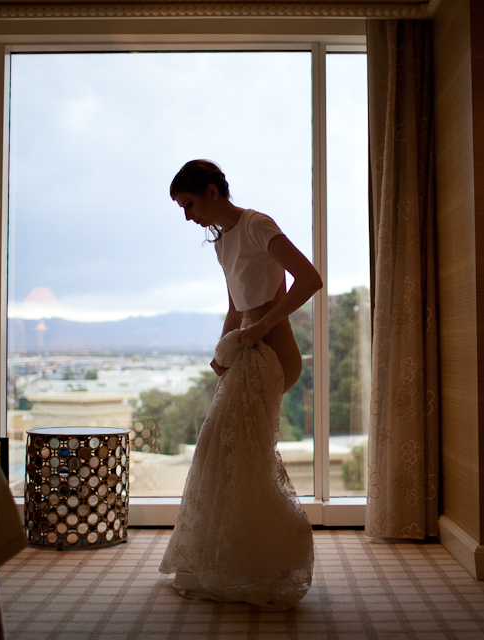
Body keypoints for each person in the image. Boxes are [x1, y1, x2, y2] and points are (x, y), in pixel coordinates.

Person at [158, 160, 321, 609]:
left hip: (272, 351)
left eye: (189, 204)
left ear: (212, 192)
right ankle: (238, 559)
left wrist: (259, 328)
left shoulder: (255, 225)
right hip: (247, 346)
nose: (188, 216)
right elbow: (235, 305)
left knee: (235, 454)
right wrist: (223, 347)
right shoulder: (224, 241)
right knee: (223, 453)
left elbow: (309, 279)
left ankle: (274, 555)